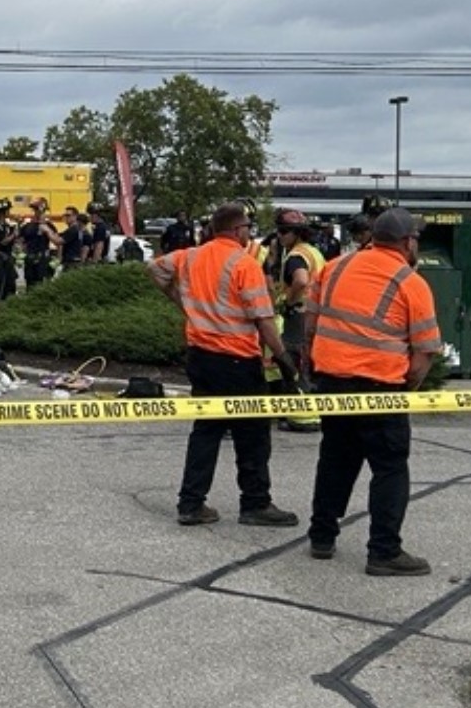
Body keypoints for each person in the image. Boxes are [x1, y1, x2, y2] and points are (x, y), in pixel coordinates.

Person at [304, 207, 442, 577]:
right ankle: (384, 551)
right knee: (390, 468)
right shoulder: (410, 282)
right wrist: (407, 387)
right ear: (407, 242)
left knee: (335, 458)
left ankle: (321, 537)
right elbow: (425, 351)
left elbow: (311, 323)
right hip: (381, 387)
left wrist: (315, 365)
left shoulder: (334, 268)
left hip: (332, 382)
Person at [167, 203, 301, 529]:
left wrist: (184, 303)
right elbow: (264, 320)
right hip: (237, 360)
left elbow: (156, 270)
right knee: (252, 434)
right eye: (247, 229)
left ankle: (191, 503)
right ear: (238, 230)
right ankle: (255, 503)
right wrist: (283, 358)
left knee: (206, 430)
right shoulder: (244, 263)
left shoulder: (191, 256)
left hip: (200, 356)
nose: (249, 234)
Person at [267, 210, 327, 433]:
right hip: (315, 314)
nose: (279, 236)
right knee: (308, 364)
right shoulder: (315, 253)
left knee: (292, 363)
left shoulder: (296, 256)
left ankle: (300, 417)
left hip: (298, 315)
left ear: (296, 233)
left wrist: (288, 300)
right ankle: (313, 413)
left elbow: (301, 281)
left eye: (283, 232)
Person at [18, 200, 61, 288]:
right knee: (30, 284)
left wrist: (58, 259)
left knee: (42, 285)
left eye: (40, 210)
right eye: (36, 210)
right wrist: (21, 253)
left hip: (43, 259)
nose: (38, 212)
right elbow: (20, 241)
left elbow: (58, 242)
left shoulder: (49, 226)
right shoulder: (27, 225)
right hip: (30, 259)